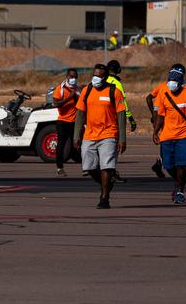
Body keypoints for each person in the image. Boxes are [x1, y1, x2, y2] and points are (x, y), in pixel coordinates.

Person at [74, 64, 127, 209]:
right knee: (89, 167)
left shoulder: (114, 92)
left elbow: (121, 115)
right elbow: (80, 114)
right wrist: (76, 135)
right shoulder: (87, 90)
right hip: (90, 134)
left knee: (106, 166)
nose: (96, 78)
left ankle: (104, 197)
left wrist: (122, 139)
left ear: (106, 78)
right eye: (94, 75)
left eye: (99, 76)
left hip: (109, 134)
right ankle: (107, 183)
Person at [153, 67, 186, 204]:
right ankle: (179, 181)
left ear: (180, 82)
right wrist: (155, 131)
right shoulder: (163, 93)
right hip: (167, 135)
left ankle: (179, 190)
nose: (171, 83)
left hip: (184, 135)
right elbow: (160, 115)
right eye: (169, 80)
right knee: (168, 165)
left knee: (181, 165)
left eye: (174, 81)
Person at [52, 68, 81, 177]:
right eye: (71, 77)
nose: (73, 79)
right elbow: (56, 104)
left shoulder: (78, 89)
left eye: (75, 77)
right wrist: (70, 97)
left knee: (78, 144)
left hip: (75, 122)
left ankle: (86, 167)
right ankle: (60, 167)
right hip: (63, 121)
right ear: (67, 77)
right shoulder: (60, 89)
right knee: (61, 145)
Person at [106, 60, 137, 132]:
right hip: (112, 116)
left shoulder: (102, 80)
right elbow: (122, 102)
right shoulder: (117, 84)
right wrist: (130, 118)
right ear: (118, 70)